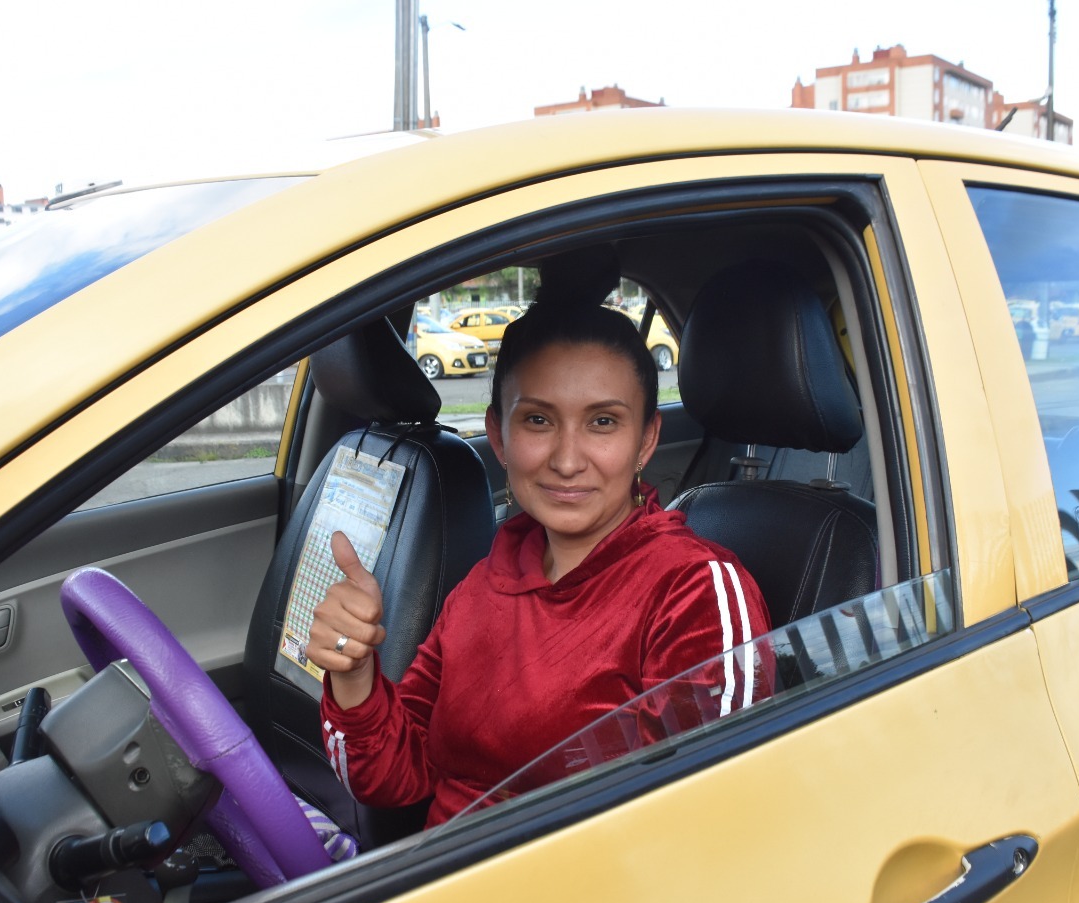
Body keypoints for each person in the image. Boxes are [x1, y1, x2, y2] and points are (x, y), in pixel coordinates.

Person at [306, 285, 772, 828]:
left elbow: (706, 822)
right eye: (538, 421)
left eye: (603, 422)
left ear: (646, 441)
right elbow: (391, 776)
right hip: (439, 880)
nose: (568, 460)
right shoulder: (484, 585)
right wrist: (355, 671)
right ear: (498, 437)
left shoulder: (694, 590)